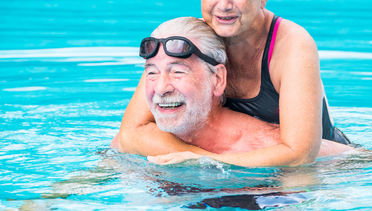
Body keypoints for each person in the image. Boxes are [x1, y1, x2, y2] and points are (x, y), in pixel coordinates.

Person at [112, 0, 352, 166]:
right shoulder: (192, 40)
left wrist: (210, 162)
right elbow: (130, 132)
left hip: (323, 168)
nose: (223, 4)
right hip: (233, 157)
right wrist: (199, 158)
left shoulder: (291, 45)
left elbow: (299, 154)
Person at [114, 17, 353, 166]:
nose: (161, 88)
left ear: (218, 79)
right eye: (152, 73)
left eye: (178, 72)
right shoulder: (136, 141)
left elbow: (351, 159)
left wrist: (206, 162)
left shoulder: (262, 144)